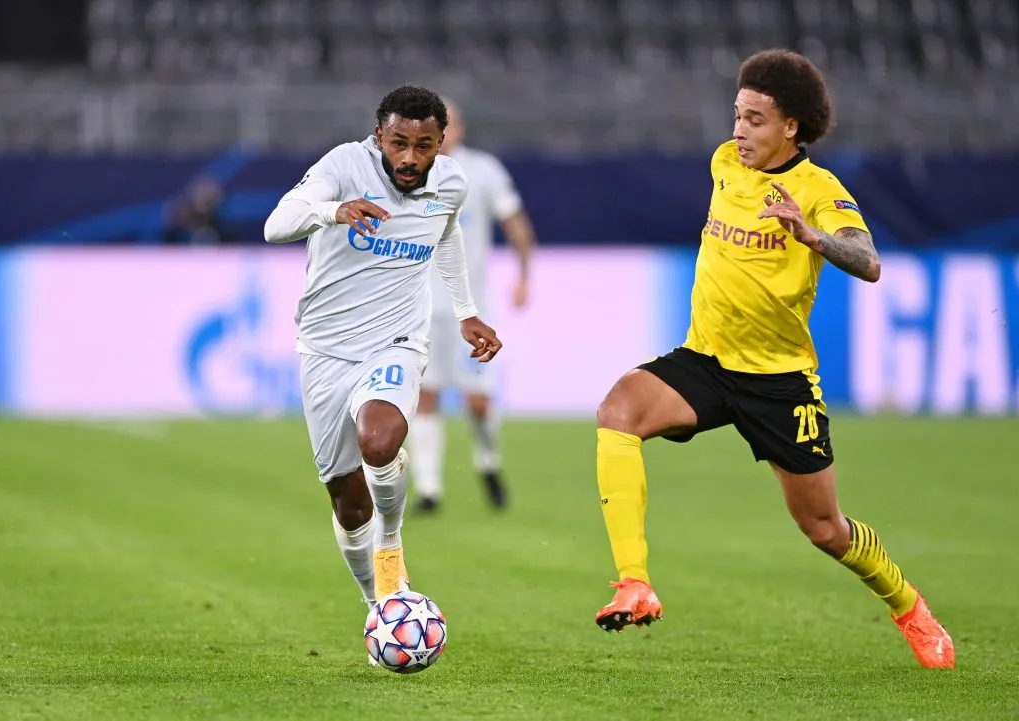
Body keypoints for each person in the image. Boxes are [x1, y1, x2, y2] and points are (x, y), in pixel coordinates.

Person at [592, 49, 954, 669]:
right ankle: (634, 581)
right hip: (706, 360)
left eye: (755, 119)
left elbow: (869, 263)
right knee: (618, 411)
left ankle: (910, 608)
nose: (739, 130)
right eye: (737, 114)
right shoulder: (724, 164)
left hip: (778, 381)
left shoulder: (819, 189)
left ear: (792, 127)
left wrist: (812, 237)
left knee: (824, 530)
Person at [263, 86, 502, 633]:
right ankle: (379, 604)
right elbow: (276, 224)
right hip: (324, 350)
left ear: (442, 143)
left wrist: (466, 310)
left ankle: (391, 545)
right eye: (399, 143)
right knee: (348, 506)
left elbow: (446, 234)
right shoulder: (345, 165)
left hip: (395, 340)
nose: (410, 158)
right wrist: (333, 211)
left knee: (381, 439)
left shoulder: (451, 182)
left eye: (424, 145)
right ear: (380, 137)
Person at [408, 98, 537, 514]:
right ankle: (429, 490)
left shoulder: (481, 171)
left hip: (470, 308)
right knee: (423, 396)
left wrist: (523, 276)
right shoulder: (405, 173)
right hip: (418, 309)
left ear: (458, 130)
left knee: (476, 400)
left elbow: (515, 223)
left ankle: (488, 461)